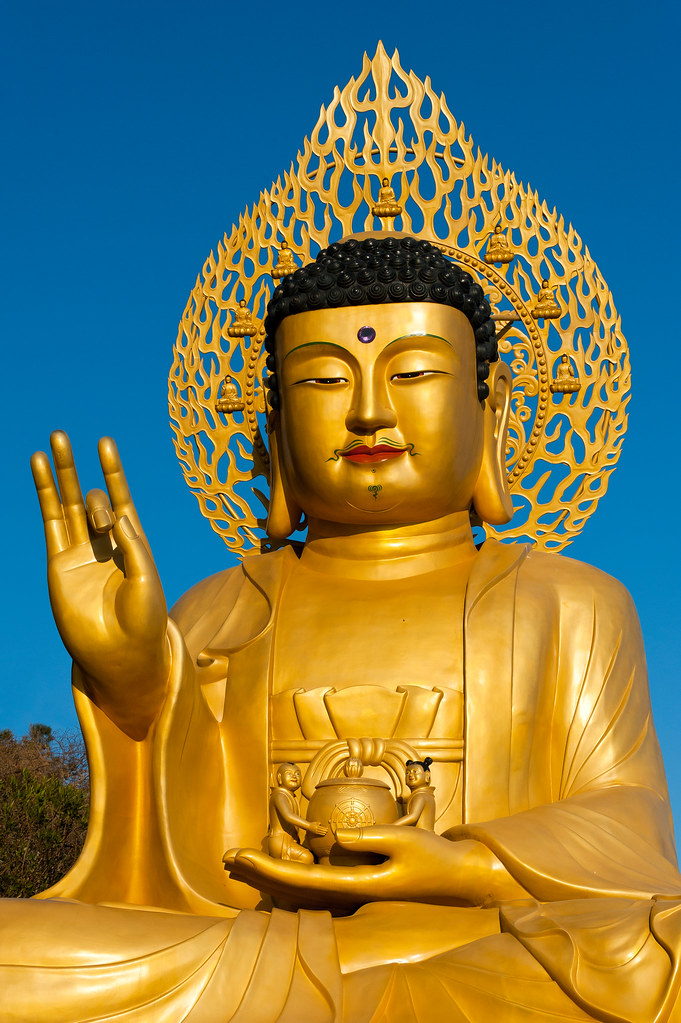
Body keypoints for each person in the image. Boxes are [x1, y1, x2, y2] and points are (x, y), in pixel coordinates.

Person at [7, 233, 681, 1021]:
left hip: (482, 940)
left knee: (662, 943)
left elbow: (631, 827)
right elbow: (176, 873)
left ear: (488, 405)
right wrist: (134, 682)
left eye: (414, 372)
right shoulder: (217, 605)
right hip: (245, 943)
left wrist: (459, 865)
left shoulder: (571, 601)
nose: (368, 410)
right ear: (275, 418)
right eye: (323, 378)